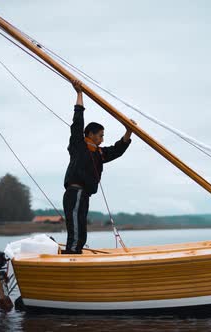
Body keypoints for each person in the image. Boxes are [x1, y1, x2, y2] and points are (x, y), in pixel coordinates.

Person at [61, 80, 135, 254]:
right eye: (100, 136)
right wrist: (79, 93)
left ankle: (76, 251)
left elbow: (117, 150)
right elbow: (77, 122)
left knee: (81, 229)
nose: (102, 139)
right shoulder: (79, 145)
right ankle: (72, 254)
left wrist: (129, 131)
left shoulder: (99, 153)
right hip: (75, 192)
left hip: (84, 194)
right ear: (91, 134)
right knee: (76, 228)